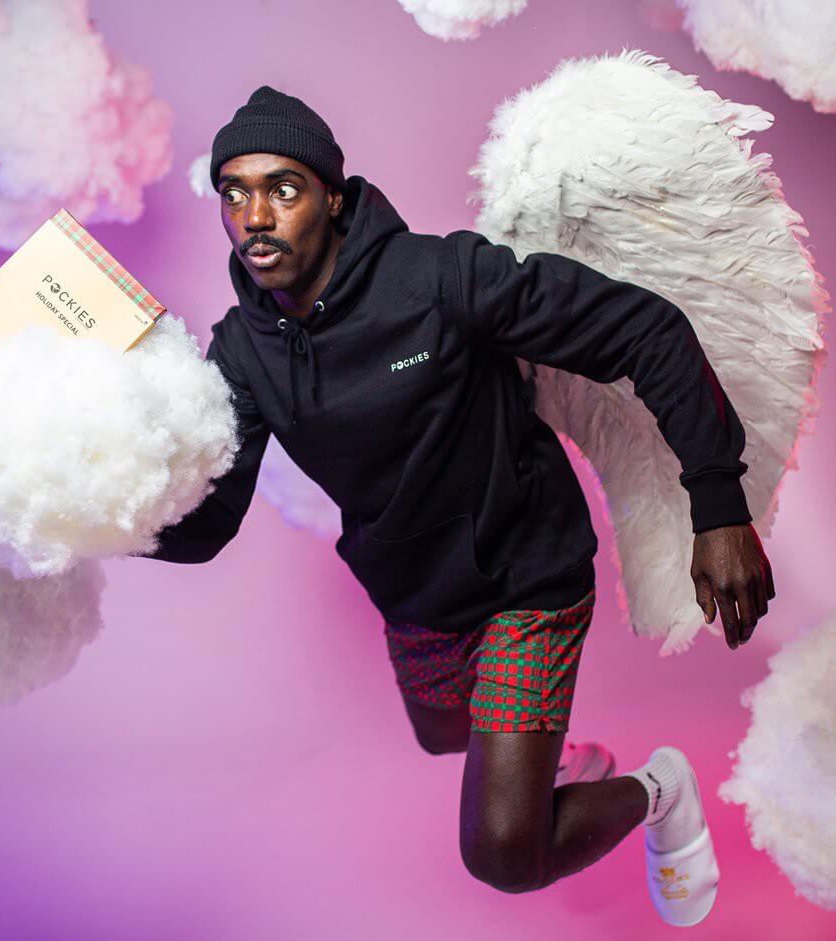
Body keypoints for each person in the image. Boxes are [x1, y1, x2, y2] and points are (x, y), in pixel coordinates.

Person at [134, 86, 775, 926]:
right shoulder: (240, 353)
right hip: (414, 593)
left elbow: (643, 329)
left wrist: (718, 506)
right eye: (234, 193)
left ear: (331, 197)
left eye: (282, 189)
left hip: (524, 576)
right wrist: (99, 508)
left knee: (504, 850)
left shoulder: (440, 279)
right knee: (443, 732)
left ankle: (659, 788)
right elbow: (208, 524)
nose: (255, 216)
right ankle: (545, 760)